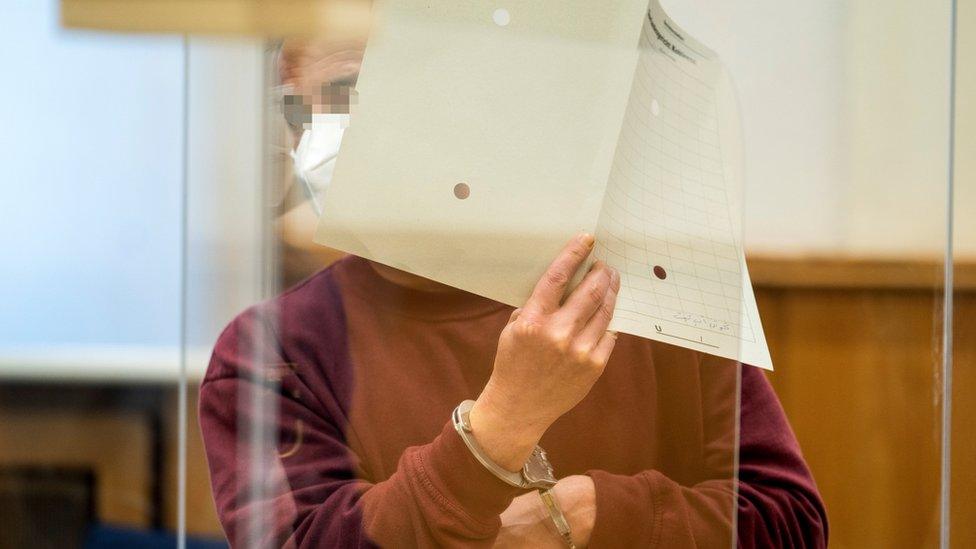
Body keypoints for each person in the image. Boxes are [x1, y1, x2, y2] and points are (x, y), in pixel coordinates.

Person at [198, 37, 828, 548]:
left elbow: (790, 523)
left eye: (365, 87)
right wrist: (503, 421)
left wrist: (588, 515)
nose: (333, 130)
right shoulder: (269, 352)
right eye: (308, 104)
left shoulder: (650, 282)